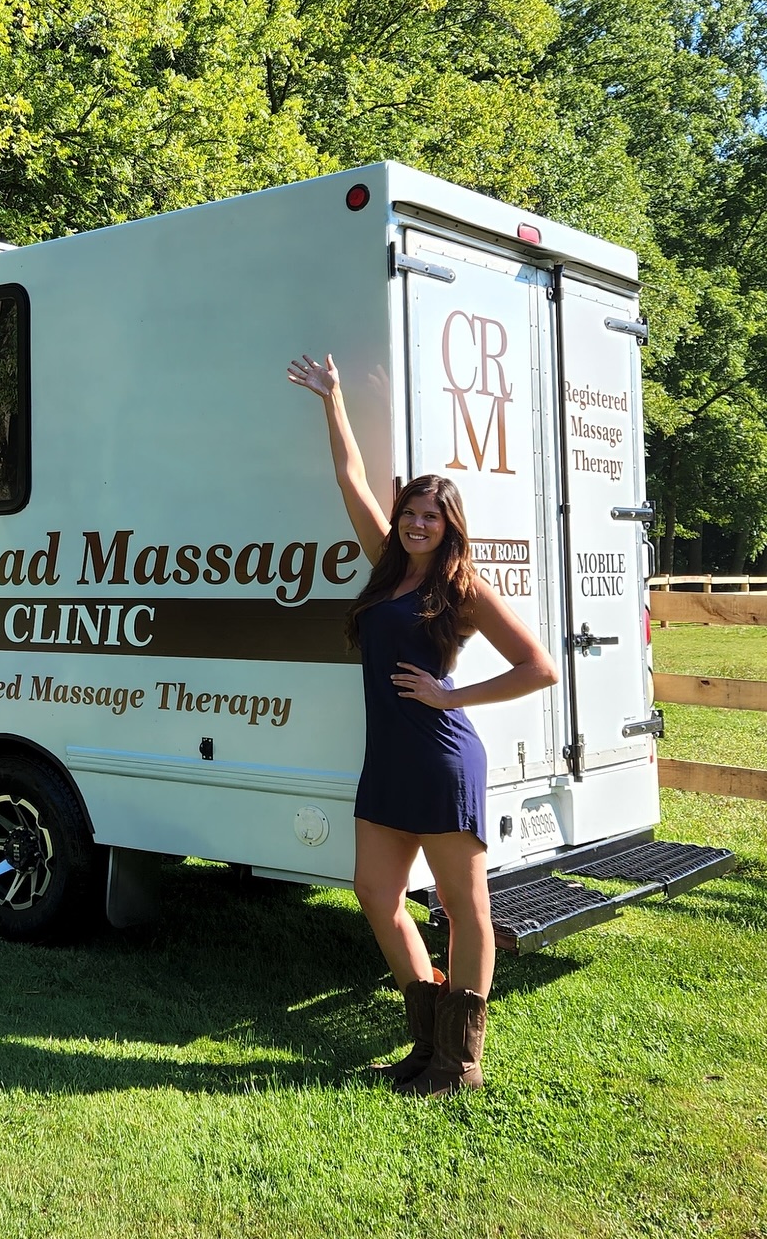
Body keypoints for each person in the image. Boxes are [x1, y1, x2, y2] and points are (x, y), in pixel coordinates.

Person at [288, 352, 558, 1095]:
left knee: (465, 912)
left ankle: (461, 1062)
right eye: (409, 512)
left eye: (429, 516)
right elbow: (349, 478)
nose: (414, 523)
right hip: (387, 761)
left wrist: (449, 698)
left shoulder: (461, 586)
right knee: (376, 895)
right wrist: (332, 399)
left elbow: (539, 666)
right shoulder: (385, 565)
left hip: (441, 759)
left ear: (448, 526)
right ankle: (426, 1041)